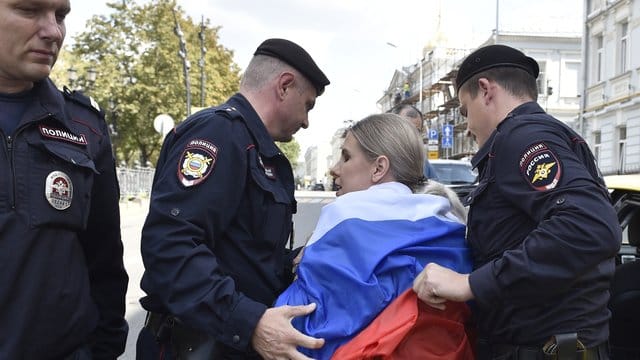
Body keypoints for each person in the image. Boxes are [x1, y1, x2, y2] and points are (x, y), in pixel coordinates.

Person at [413, 44, 621, 359]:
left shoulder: (522, 138)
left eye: (466, 111)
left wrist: (471, 283)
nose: (467, 127)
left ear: (485, 90)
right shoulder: (547, 135)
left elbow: (589, 226)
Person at [137, 38, 330, 359]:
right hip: (195, 346)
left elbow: (239, 255)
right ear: (284, 86)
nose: (307, 121)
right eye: (308, 104)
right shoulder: (219, 135)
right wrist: (249, 322)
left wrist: (289, 262)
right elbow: (170, 246)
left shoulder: (253, 147)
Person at [275, 113, 473, 359]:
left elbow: (302, 325)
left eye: (346, 157)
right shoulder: (451, 228)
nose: (334, 169)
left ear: (379, 168)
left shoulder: (343, 220)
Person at [0, 0, 129, 358]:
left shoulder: (84, 126)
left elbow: (105, 261)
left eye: (60, 16)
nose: (53, 31)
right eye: (28, 10)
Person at [390, 104, 438, 180]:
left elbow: (436, 189)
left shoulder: (423, 163)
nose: (412, 135)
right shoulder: (374, 158)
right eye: (406, 129)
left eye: (417, 131)